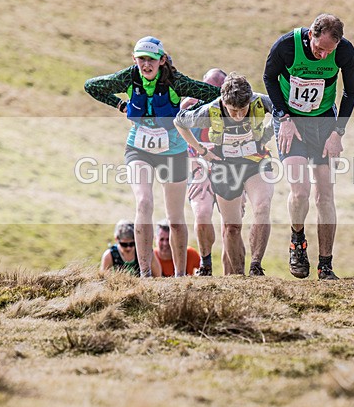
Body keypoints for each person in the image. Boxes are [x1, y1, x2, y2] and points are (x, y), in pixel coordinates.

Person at [85, 36, 221, 277]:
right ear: (135, 60)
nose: (146, 65)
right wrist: (120, 105)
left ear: (162, 60)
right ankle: (145, 273)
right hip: (139, 149)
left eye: (151, 60)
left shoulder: (176, 81)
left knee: (175, 217)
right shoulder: (129, 77)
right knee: (144, 203)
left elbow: (214, 94)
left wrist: (189, 113)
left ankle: (180, 276)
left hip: (173, 151)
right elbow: (92, 86)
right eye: (141, 59)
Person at [263, 13, 354, 281]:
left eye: (329, 51)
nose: (322, 55)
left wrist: (338, 132)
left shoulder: (344, 52)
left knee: (325, 194)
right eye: (318, 48)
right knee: (301, 190)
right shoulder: (287, 46)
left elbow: (351, 91)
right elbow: (269, 78)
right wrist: (283, 117)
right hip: (291, 122)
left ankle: (325, 264)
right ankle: (297, 241)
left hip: (325, 122)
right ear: (310, 36)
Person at [175, 72, 275, 276]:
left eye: (243, 110)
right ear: (224, 102)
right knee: (231, 227)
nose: (238, 115)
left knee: (262, 206)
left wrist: (267, 135)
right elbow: (179, 122)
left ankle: (256, 266)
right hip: (224, 166)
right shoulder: (209, 110)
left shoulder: (259, 101)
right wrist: (202, 151)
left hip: (256, 162)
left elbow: (284, 112)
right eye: (233, 111)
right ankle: (238, 276)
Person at [181, 68, 228, 276]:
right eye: (209, 88)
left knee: (231, 224)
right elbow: (182, 147)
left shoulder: (232, 106)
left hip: (229, 168)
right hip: (197, 166)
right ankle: (205, 263)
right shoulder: (189, 106)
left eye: (218, 90)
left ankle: (233, 273)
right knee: (201, 214)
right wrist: (203, 173)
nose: (213, 95)